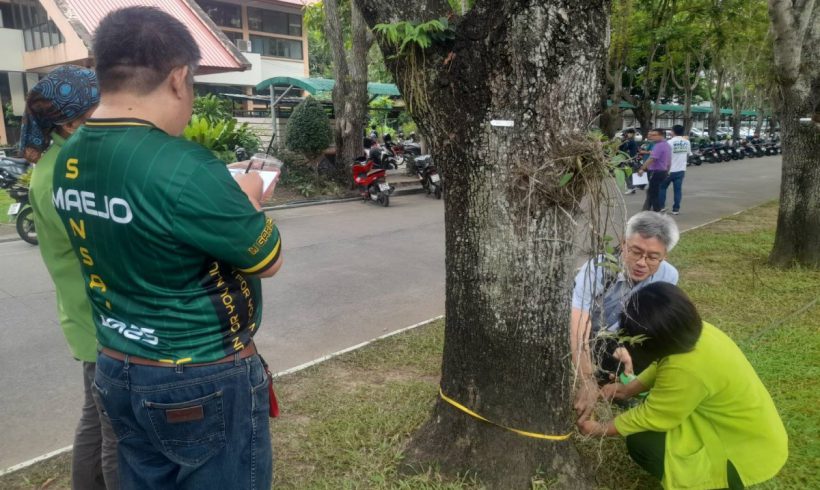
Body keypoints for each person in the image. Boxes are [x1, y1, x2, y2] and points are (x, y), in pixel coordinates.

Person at [52, 7, 282, 489]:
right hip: (199, 376)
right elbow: (267, 259)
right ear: (179, 78)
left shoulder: (69, 156)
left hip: (117, 366)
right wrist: (249, 197)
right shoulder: (185, 166)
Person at [577, 283, 788, 490]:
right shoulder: (693, 332)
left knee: (643, 443)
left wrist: (600, 429)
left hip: (744, 451)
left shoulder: (687, 369)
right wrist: (628, 389)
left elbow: (654, 415)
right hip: (740, 428)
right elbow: (662, 363)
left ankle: (719, 483)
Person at [24, 66, 118, 490]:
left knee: (97, 418)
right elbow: (105, 245)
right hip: (98, 316)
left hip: (87, 314)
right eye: (103, 105)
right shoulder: (64, 171)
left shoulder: (68, 160)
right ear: (71, 123)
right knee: (115, 430)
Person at [571, 211, 679, 413]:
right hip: (591, 332)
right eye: (635, 252)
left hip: (623, 333)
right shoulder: (598, 268)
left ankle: (621, 385)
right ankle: (601, 375)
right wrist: (586, 378)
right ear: (623, 244)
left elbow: (653, 322)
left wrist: (624, 348)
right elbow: (578, 322)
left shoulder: (668, 276)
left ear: (664, 256)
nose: (641, 263)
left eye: (653, 257)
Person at [659, 125, 691, 215]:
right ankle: (676, 209)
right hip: (681, 170)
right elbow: (688, 154)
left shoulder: (669, 142)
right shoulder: (687, 142)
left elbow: (664, 157)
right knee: (677, 190)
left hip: (669, 170)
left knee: (662, 187)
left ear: (673, 132)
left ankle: (661, 207)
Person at [636, 129, 671, 212]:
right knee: (652, 191)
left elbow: (652, 159)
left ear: (661, 135)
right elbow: (669, 160)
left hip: (656, 171)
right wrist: (667, 170)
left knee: (653, 193)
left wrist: (642, 169)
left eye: (654, 135)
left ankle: (656, 210)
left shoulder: (659, 146)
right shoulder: (666, 145)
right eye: (651, 135)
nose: (652, 137)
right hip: (662, 171)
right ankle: (647, 209)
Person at [619, 129, 640, 195]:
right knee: (630, 174)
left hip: (628, 160)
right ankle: (632, 188)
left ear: (632, 134)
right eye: (627, 133)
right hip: (630, 160)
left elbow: (623, 149)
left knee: (626, 174)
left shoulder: (630, 142)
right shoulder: (630, 141)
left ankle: (631, 187)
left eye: (629, 133)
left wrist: (623, 142)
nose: (627, 134)